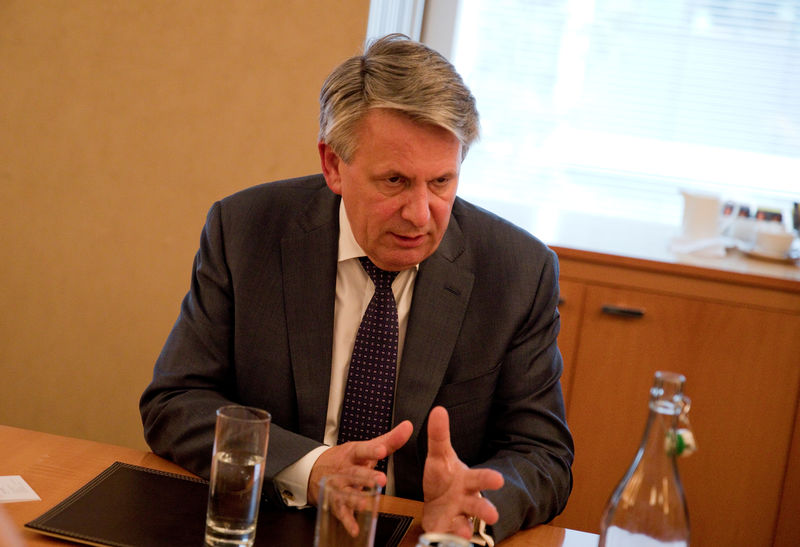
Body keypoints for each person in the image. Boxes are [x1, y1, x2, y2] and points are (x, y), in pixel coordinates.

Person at [140, 34, 573, 543]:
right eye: (394, 181)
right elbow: (175, 401)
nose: (420, 214)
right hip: (266, 521)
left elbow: (543, 454)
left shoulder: (517, 271)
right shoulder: (246, 231)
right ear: (333, 165)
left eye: (440, 182)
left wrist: (473, 508)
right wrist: (310, 467)